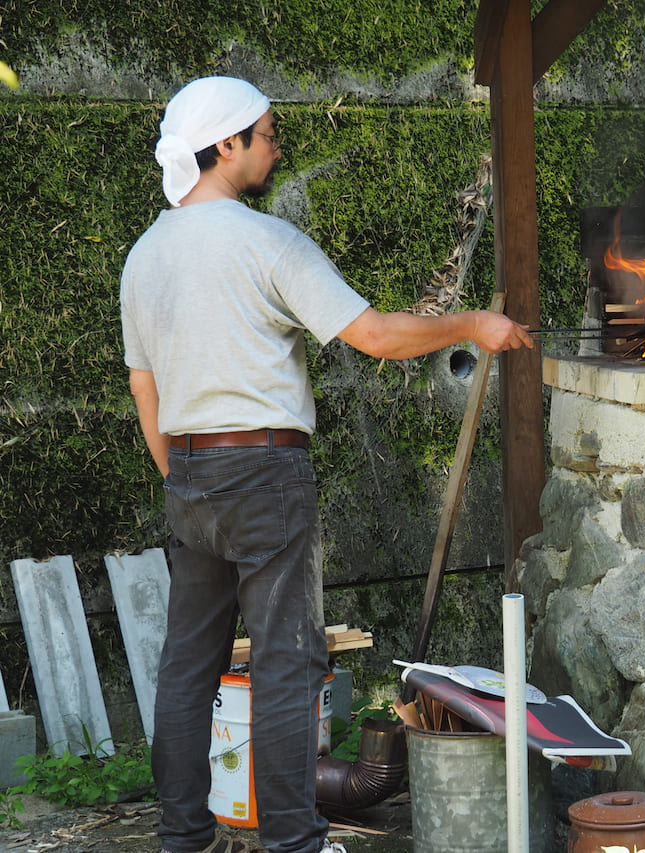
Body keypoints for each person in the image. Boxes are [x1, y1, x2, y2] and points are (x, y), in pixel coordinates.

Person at [120, 76, 533, 853]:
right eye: (268, 132)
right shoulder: (266, 241)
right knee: (285, 664)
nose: (278, 146)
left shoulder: (145, 255)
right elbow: (374, 335)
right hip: (266, 472)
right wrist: (473, 322)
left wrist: (180, 476)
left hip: (190, 476)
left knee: (187, 667)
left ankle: (184, 838)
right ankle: (293, 844)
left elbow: (146, 389)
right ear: (226, 144)